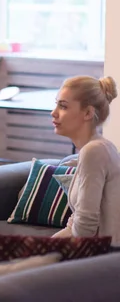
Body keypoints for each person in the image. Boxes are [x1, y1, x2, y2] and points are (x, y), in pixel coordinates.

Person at [51, 75, 120, 246]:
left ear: (88, 113)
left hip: (104, 257)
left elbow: (85, 228)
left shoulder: (94, 151)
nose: (53, 112)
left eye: (63, 106)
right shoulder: (96, 148)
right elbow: (77, 221)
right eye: (56, 104)